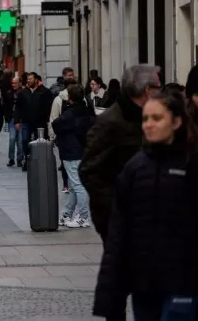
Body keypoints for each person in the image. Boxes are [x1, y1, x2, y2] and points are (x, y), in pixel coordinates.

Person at [93, 91, 198, 320]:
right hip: (144, 283)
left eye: (157, 118)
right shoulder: (135, 168)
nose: (149, 125)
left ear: (177, 122)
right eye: (145, 119)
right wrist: (111, 292)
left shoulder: (191, 163)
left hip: (183, 281)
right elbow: (118, 235)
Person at [80, 64, 160, 243]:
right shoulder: (112, 122)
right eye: (158, 87)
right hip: (119, 218)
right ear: (148, 90)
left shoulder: (143, 117)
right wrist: (115, 207)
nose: (160, 93)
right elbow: (88, 170)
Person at [52, 85, 94, 228]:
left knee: (77, 185)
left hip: (71, 151)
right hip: (80, 149)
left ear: (70, 97)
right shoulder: (86, 109)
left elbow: (56, 124)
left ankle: (83, 217)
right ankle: (66, 214)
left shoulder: (71, 113)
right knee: (73, 185)